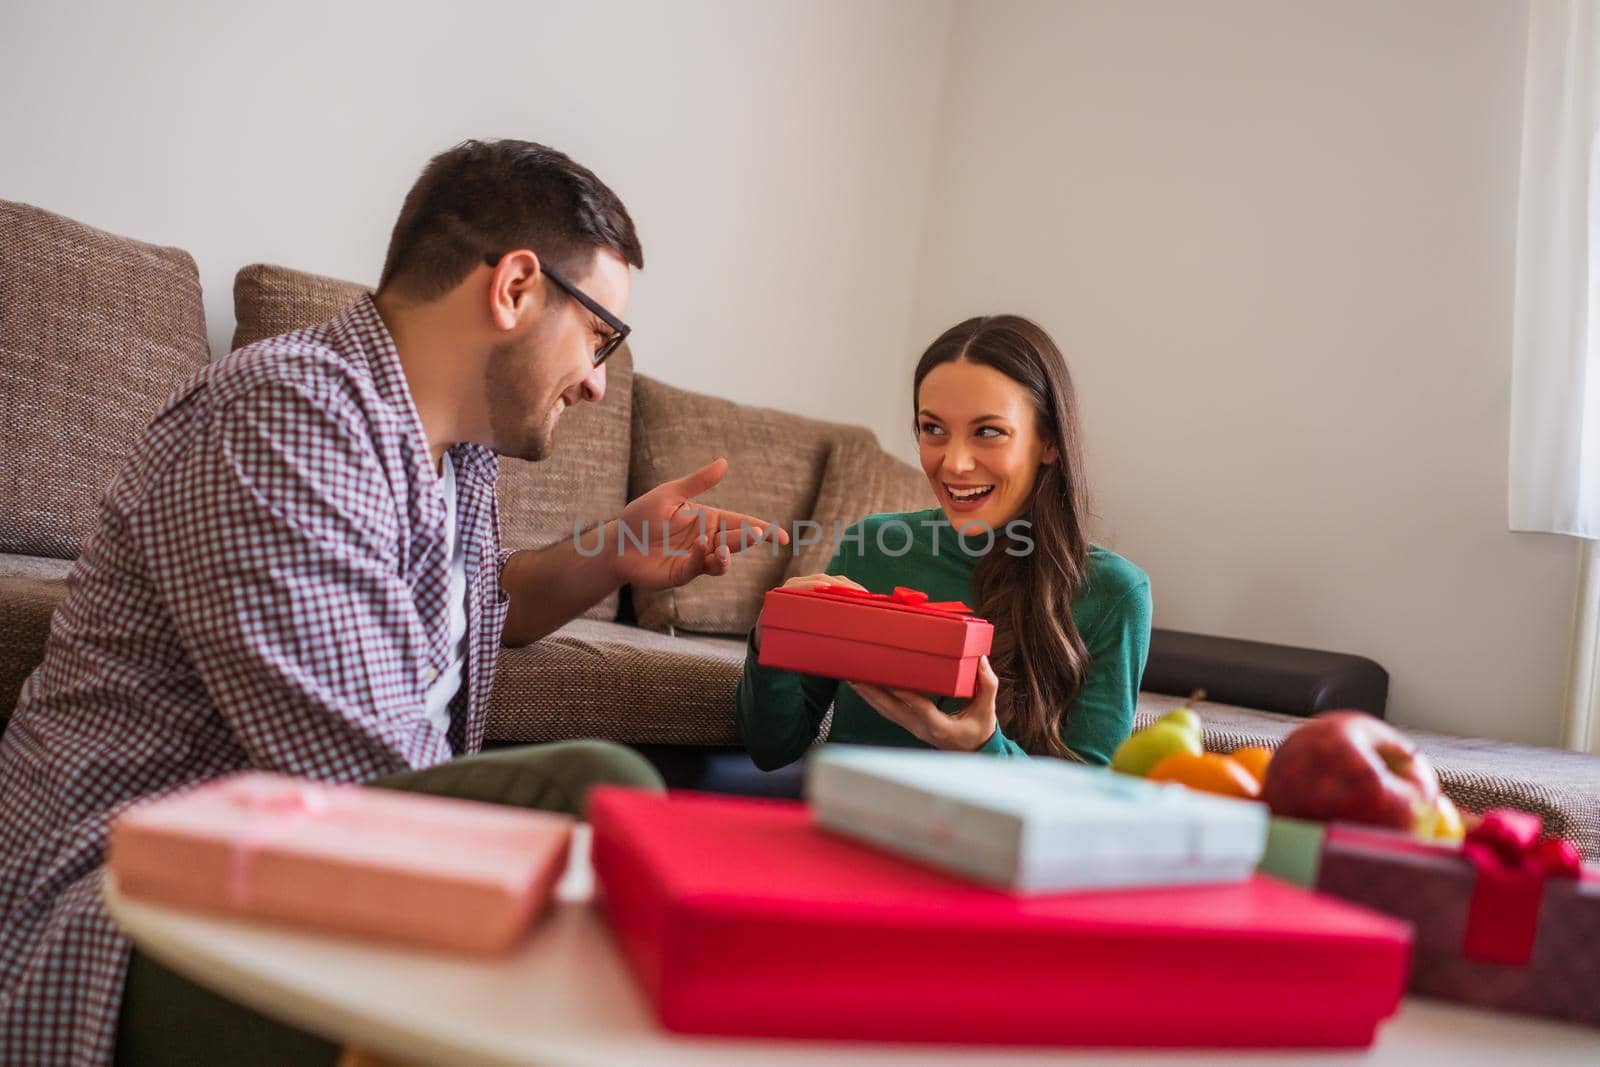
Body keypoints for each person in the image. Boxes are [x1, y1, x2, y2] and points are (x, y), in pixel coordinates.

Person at [0, 139, 787, 1067]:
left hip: (304, 896)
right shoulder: (287, 417)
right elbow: (374, 795)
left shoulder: (455, 454)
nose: (598, 381)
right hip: (123, 925)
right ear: (515, 288)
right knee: (593, 795)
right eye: (601, 337)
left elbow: (481, 605)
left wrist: (611, 551)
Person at [738, 315, 1150, 769]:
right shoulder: (874, 546)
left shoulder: (1114, 593)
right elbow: (771, 748)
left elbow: (1083, 805)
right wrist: (771, 633)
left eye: (988, 432)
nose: (954, 463)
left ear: (1048, 441)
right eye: (933, 429)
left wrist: (981, 746)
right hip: (849, 819)